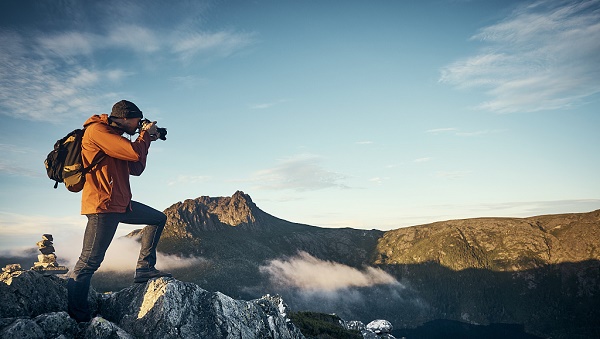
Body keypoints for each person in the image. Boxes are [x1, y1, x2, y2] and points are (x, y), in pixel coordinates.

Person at [67, 100, 171, 323]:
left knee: (157, 219)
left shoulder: (116, 139)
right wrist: (143, 136)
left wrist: (148, 140)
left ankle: (144, 269)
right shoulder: (97, 131)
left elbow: (136, 168)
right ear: (124, 117)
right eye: (137, 120)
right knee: (88, 263)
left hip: (121, 204)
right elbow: (134, 153)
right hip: (103, 206)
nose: (138, 125)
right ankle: (78, 317)